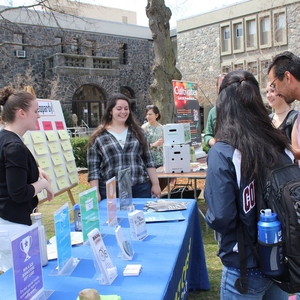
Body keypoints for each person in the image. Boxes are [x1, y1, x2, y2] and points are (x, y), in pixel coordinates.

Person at [204, 70, 291, 299]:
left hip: (243, 267)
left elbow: (221, 216)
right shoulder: (278, 142)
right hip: (280, 258)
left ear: (223, 105)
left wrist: (208, 216)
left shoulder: (222, 151)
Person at [0, 87, 54, 272]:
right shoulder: (14, 146)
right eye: (36, 111)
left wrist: (36, 170)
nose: (39, 116)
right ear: (22, 113)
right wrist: (43, 184)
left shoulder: (6, 139)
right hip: (14, 228)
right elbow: (18, 192)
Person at [87, 93, 161, 201]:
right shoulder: (99, 137)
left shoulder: (139, 132)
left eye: (126, 108)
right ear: (110, 111)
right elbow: (93, 169)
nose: (123, 112)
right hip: (111, 192)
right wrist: (95, 192)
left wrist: (155, 184)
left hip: (139, 189)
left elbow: (149, 160)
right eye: (119, 108)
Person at [204, 73, 227, 148]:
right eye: (221, 85)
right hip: (220, 153)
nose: (224, 87)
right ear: (217, 88)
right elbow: (207, 135)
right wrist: (213, 142)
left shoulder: (241, 109)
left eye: (227, 84)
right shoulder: (213, 112)